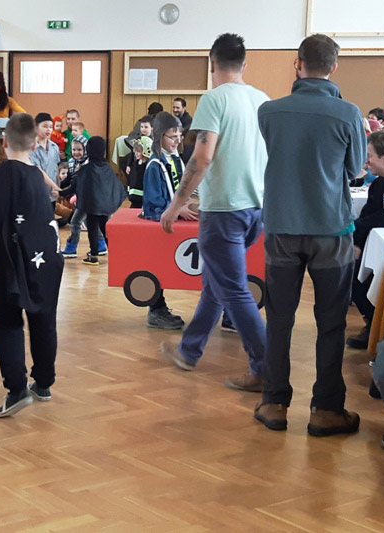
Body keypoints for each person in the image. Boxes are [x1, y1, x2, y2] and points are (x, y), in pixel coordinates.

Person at [254, 34, 366, 435]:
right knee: (331, 322)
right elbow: (354, 170)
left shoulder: (269, 111)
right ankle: (326, 410)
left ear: (297, 64)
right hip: (330, 230)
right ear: (334, 67)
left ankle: (274, 402)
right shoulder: (348, 113)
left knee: (279, 318)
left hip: (282, 228)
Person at [159, 33, 268, 394]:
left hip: (224, 210)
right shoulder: (261, 100)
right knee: (216, 282)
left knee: (233, 289)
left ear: (212, 63)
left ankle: (265, 368)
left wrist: (177, 203)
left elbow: (202, 157)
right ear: (244, 63)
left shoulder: (214, 99)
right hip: (255, 208)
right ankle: (189, 350)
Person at [0, 112, 64, 417]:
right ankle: (43, 383)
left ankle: (16, 388)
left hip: (16, 258)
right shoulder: (36, 173)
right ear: (34, 143)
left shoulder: (6, 171)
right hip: (48, 256)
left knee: (4, 319)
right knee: (43, 319)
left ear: (4, 141)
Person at [347, 131, 384, 349]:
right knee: (350, 268)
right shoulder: (379, 185)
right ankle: (373, 322)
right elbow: (368, 215)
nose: (366, 161)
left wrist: (357, 227)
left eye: (370, 155)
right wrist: (356, 243)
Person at [142, 112, 197, 330]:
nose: (177, 141)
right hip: (160, 225)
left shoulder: (175, 159)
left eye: (179, 136)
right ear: (159, 137)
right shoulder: (155, 165)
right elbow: (153, 203)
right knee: (156, 268)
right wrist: (176, 209)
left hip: (176, 219)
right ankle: (156, 309)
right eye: (172, 136)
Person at [65, 136, 126, 266]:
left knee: (92, 228)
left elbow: (76, 186)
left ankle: (93, 256)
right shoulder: (106, 167)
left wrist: (60, 192)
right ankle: (116, 254)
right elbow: (116, 186)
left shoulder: (86, 168)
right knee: (105, 229)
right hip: (105, 206)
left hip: (92, 205)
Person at [31, 112, 62, 205]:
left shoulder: (54, 147)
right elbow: (38, 171)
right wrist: (55, 186)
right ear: (36, 127)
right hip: (37, 194)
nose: (48, 129)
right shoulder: (32, 148)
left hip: (52, 194)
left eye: (51, 127)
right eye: (45, 126)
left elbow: (56, 169)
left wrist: (57, 187)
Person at [125, 135, 153, 208]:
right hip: (134, 199)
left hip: (144, 201)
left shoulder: (149, 166)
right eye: (135, 151)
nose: (136, 154)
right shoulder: (135, 164)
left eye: (138, 151)